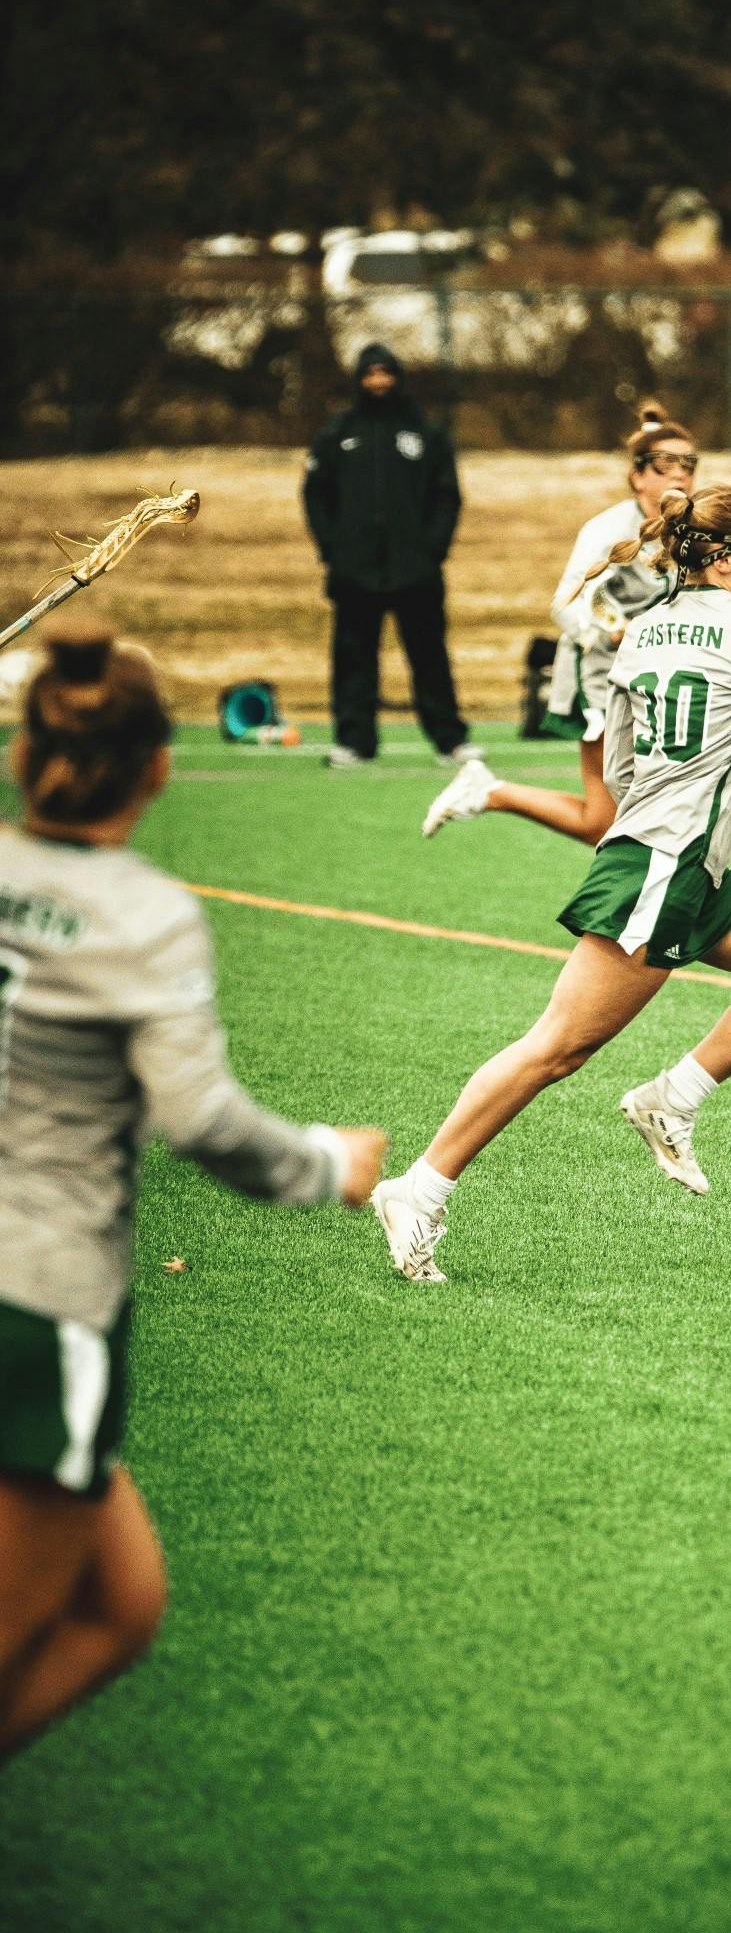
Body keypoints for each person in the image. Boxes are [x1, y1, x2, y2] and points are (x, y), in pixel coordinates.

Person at [0, 617, 387, 1761]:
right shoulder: (143, 916)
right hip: (37, 1308)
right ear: (160, 767)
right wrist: (326, 1161)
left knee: (122, 1607)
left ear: (25, 755)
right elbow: (204, 1120)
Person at [373, 483, 731, 1284]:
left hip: (676, 861)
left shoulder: (642, 632)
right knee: (556, 1049)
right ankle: (418, 1189)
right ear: (725, 555)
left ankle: (672, 1097)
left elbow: (624, 777)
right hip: (663, 870)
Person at [421, 402, 697, 843]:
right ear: (638, 476)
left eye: (688, 464)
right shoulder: (610, 529)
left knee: (653, 816)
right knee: (606, 824)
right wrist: (612, 630)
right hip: (606, 679)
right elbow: (567, 602)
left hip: (662, 681)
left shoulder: (693, 530)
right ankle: (492, 792)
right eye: (664, 465)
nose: (679, 474)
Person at [302, 340, 479, 769]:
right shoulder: (337, 434)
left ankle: (449, 740)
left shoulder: (426, 433)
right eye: (369, 374)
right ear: (359, 380)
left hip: (414, 571)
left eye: (385, 374)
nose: (378, 382)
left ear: (397, 378)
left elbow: (446, 497)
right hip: (355, 571)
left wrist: (431, 549)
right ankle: (355, 741)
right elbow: (315, 495)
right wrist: (333, 549)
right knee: (352, 658)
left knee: (429, 655)